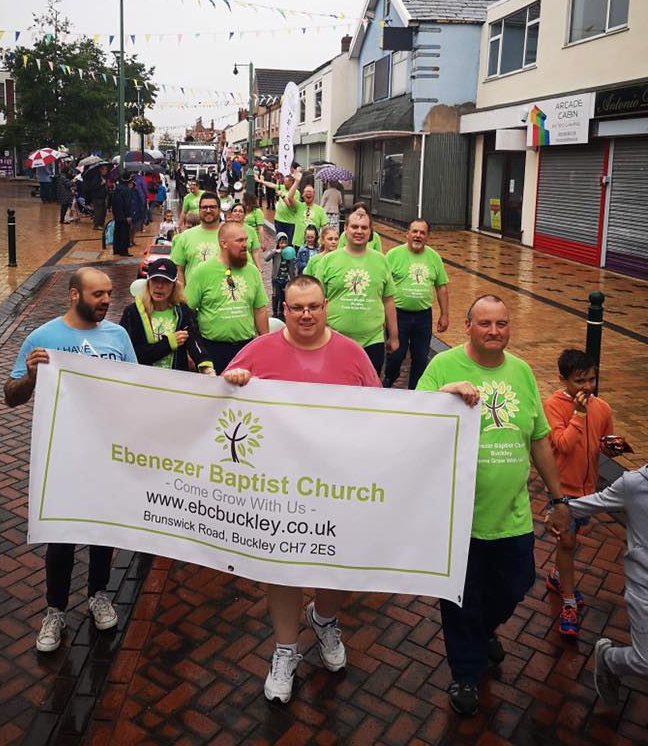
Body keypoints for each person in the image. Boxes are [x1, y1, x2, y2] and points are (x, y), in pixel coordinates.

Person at [223, 274, 381, 702]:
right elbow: (219, 400)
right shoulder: (259, 350)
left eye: (314, 306)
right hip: (279, 485)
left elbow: (383, 414)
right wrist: (233, 382)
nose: (306, 314)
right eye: (297, 307)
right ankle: (285, 649)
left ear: (326, 306)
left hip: (338, 484)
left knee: (338, 560)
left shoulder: (352, 354)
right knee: (283, 566)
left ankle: (324, 620)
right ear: (285, 309)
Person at [416, 294, 571, 717]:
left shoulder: (521, 371)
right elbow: (413, 421)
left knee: (516, 584)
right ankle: (466, 673)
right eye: (484, 323)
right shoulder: (443, 366)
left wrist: (558, 497)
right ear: (467, 326)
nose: (494, 331)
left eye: (501, 324)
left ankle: (482, 630)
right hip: (458, 517)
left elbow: (538, 438)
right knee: (460, 600)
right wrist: (445, 393)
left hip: (511, 514)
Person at [3, 267, 137, 653]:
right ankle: (55, 610)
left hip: (106, 452)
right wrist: (31, 377)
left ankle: (98, 594)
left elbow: (136, 388)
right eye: (98, 294)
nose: (107, 300)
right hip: (61, 453)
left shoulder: (118, 336)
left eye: (108, 293)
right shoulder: (43, 337)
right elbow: (11, 396)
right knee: (61, 537)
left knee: (101, 531)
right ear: (74, 295)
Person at [544, 349, 617, 637]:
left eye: (591, 379)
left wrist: (610, 448)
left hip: (589, 490)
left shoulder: (603, 408)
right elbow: (562, 444)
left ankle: (557, 576)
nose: (587, 387)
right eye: (580, 381)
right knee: (567, 542)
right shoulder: (553, 406)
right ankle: (569, 602)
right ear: (563, 379)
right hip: (562, 491)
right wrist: (578, 414)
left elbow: (601, 442)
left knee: (569, 541)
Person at [567, 464, 648, 711]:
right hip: (644, 586)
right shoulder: (634, 484)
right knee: (645, 661)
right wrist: (558, 508)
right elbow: (596, 502)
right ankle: (609, 660)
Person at [312, 207, 398, 376]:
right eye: (354, 227)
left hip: (372, 340)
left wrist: (394, 336)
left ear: (370, 231)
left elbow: (388, 300)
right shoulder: (328, 261)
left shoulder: (381, 261)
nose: (359, 231)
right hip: (335, 338)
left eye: (364, 227)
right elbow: (317, 300)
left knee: (369, 385)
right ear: (345, 229)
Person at [185, 221, 269, 374]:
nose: (245, 245)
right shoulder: (203, 271)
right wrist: (191, 349)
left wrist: (266, 344)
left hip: (245, 348)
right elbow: (186, 310)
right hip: (211, 349)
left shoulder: (252, 272)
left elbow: (260, 310)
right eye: (239, 240)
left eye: (246, 239)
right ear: (223, 243)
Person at [383, 219, 449, 390]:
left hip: (423, 317)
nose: (418, 235)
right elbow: (382, 285)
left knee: (420, 357)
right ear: (407, 234)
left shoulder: (434, 258)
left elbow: (441, 287)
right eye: (415, 231)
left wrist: (444, 315)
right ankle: (390, 377)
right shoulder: (393, 255)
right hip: (398, 316)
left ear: (427, 237)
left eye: (422, 232)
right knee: (396, 355)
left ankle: (415, 390)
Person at [119, 258, 214, 373]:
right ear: (148, 282)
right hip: (142, 379)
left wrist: (205, 366)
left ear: (174, 285)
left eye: (166, 281)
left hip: (175, 380)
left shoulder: (183, 311)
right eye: (155, 280)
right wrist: (169, 343)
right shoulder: (132, 312)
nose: (159, 286)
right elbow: (131, 353)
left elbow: (195, 342)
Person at [172, 191, 221, 285]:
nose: (208, 210)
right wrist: (183, 291)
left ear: (219, 210)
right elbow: (179, 269)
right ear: (199, 210)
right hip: (192, 292)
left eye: (212, 207)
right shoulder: (185, 236)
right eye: (204, 207)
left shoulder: (230, 235)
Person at [286, 172, 328, 250]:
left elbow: (325, 229)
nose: (308, 193)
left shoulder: (320, 210)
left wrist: (322, 242)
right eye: (306, 192)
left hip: (314, 246)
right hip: (299, 244)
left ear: (314, 194)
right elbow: (290, 197)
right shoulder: (299, 206)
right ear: (302, 195)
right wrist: (297, 182)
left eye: (310, 192)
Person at [264, 232, 297, 317]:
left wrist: (293, 278)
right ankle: (275, 313)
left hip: (285, 279)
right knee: (275, 296)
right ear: (278, 243)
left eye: (285, 243)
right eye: (281, 243)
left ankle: (281, 313)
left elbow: (293, 267)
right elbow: (266, 258)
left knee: (283, 297)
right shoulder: (276, 253)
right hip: (276, 279)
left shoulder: (289, 252)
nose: (283, 245)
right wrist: (275, 251)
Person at [228, 201, 262, 270]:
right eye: (235, 211)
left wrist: (259, 269)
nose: (237, 213)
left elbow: (255, 252)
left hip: (248, 267)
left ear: (245, 215)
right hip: (229, 267)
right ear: (231, 214)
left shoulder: (251, 231)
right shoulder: (225, 230)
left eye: (240, 211)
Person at [273, 173, 300, 245]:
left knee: (289, 242)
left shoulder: (296, 193)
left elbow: (290, 205)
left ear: (291, 182)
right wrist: (261, 181)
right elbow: (272, 185)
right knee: (280, 241)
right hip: (278, 220)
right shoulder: (282, 188)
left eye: (286, 182)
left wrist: (282, 196)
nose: (284, 183)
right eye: (284, 181)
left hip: (290, 222)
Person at [111, 172, 133, 256]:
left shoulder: (117, 189)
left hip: (117, 214)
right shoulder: (126, 190)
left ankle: (116, 249)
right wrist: (128, 215)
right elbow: (127, 204)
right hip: (124, 215)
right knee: (124, 232)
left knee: (117, 231)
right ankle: (123, 250)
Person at [91, 165, 110, 230]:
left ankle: (101, 223)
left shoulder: (105, 177)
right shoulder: (96, 177)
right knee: (98, 212)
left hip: (103, 197)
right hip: (97, 197)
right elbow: (93, 187)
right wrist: (100, 184)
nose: (105, 171)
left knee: (103, 211)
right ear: (100, 170)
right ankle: (97, 225)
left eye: (106, 169)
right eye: (103, 169)